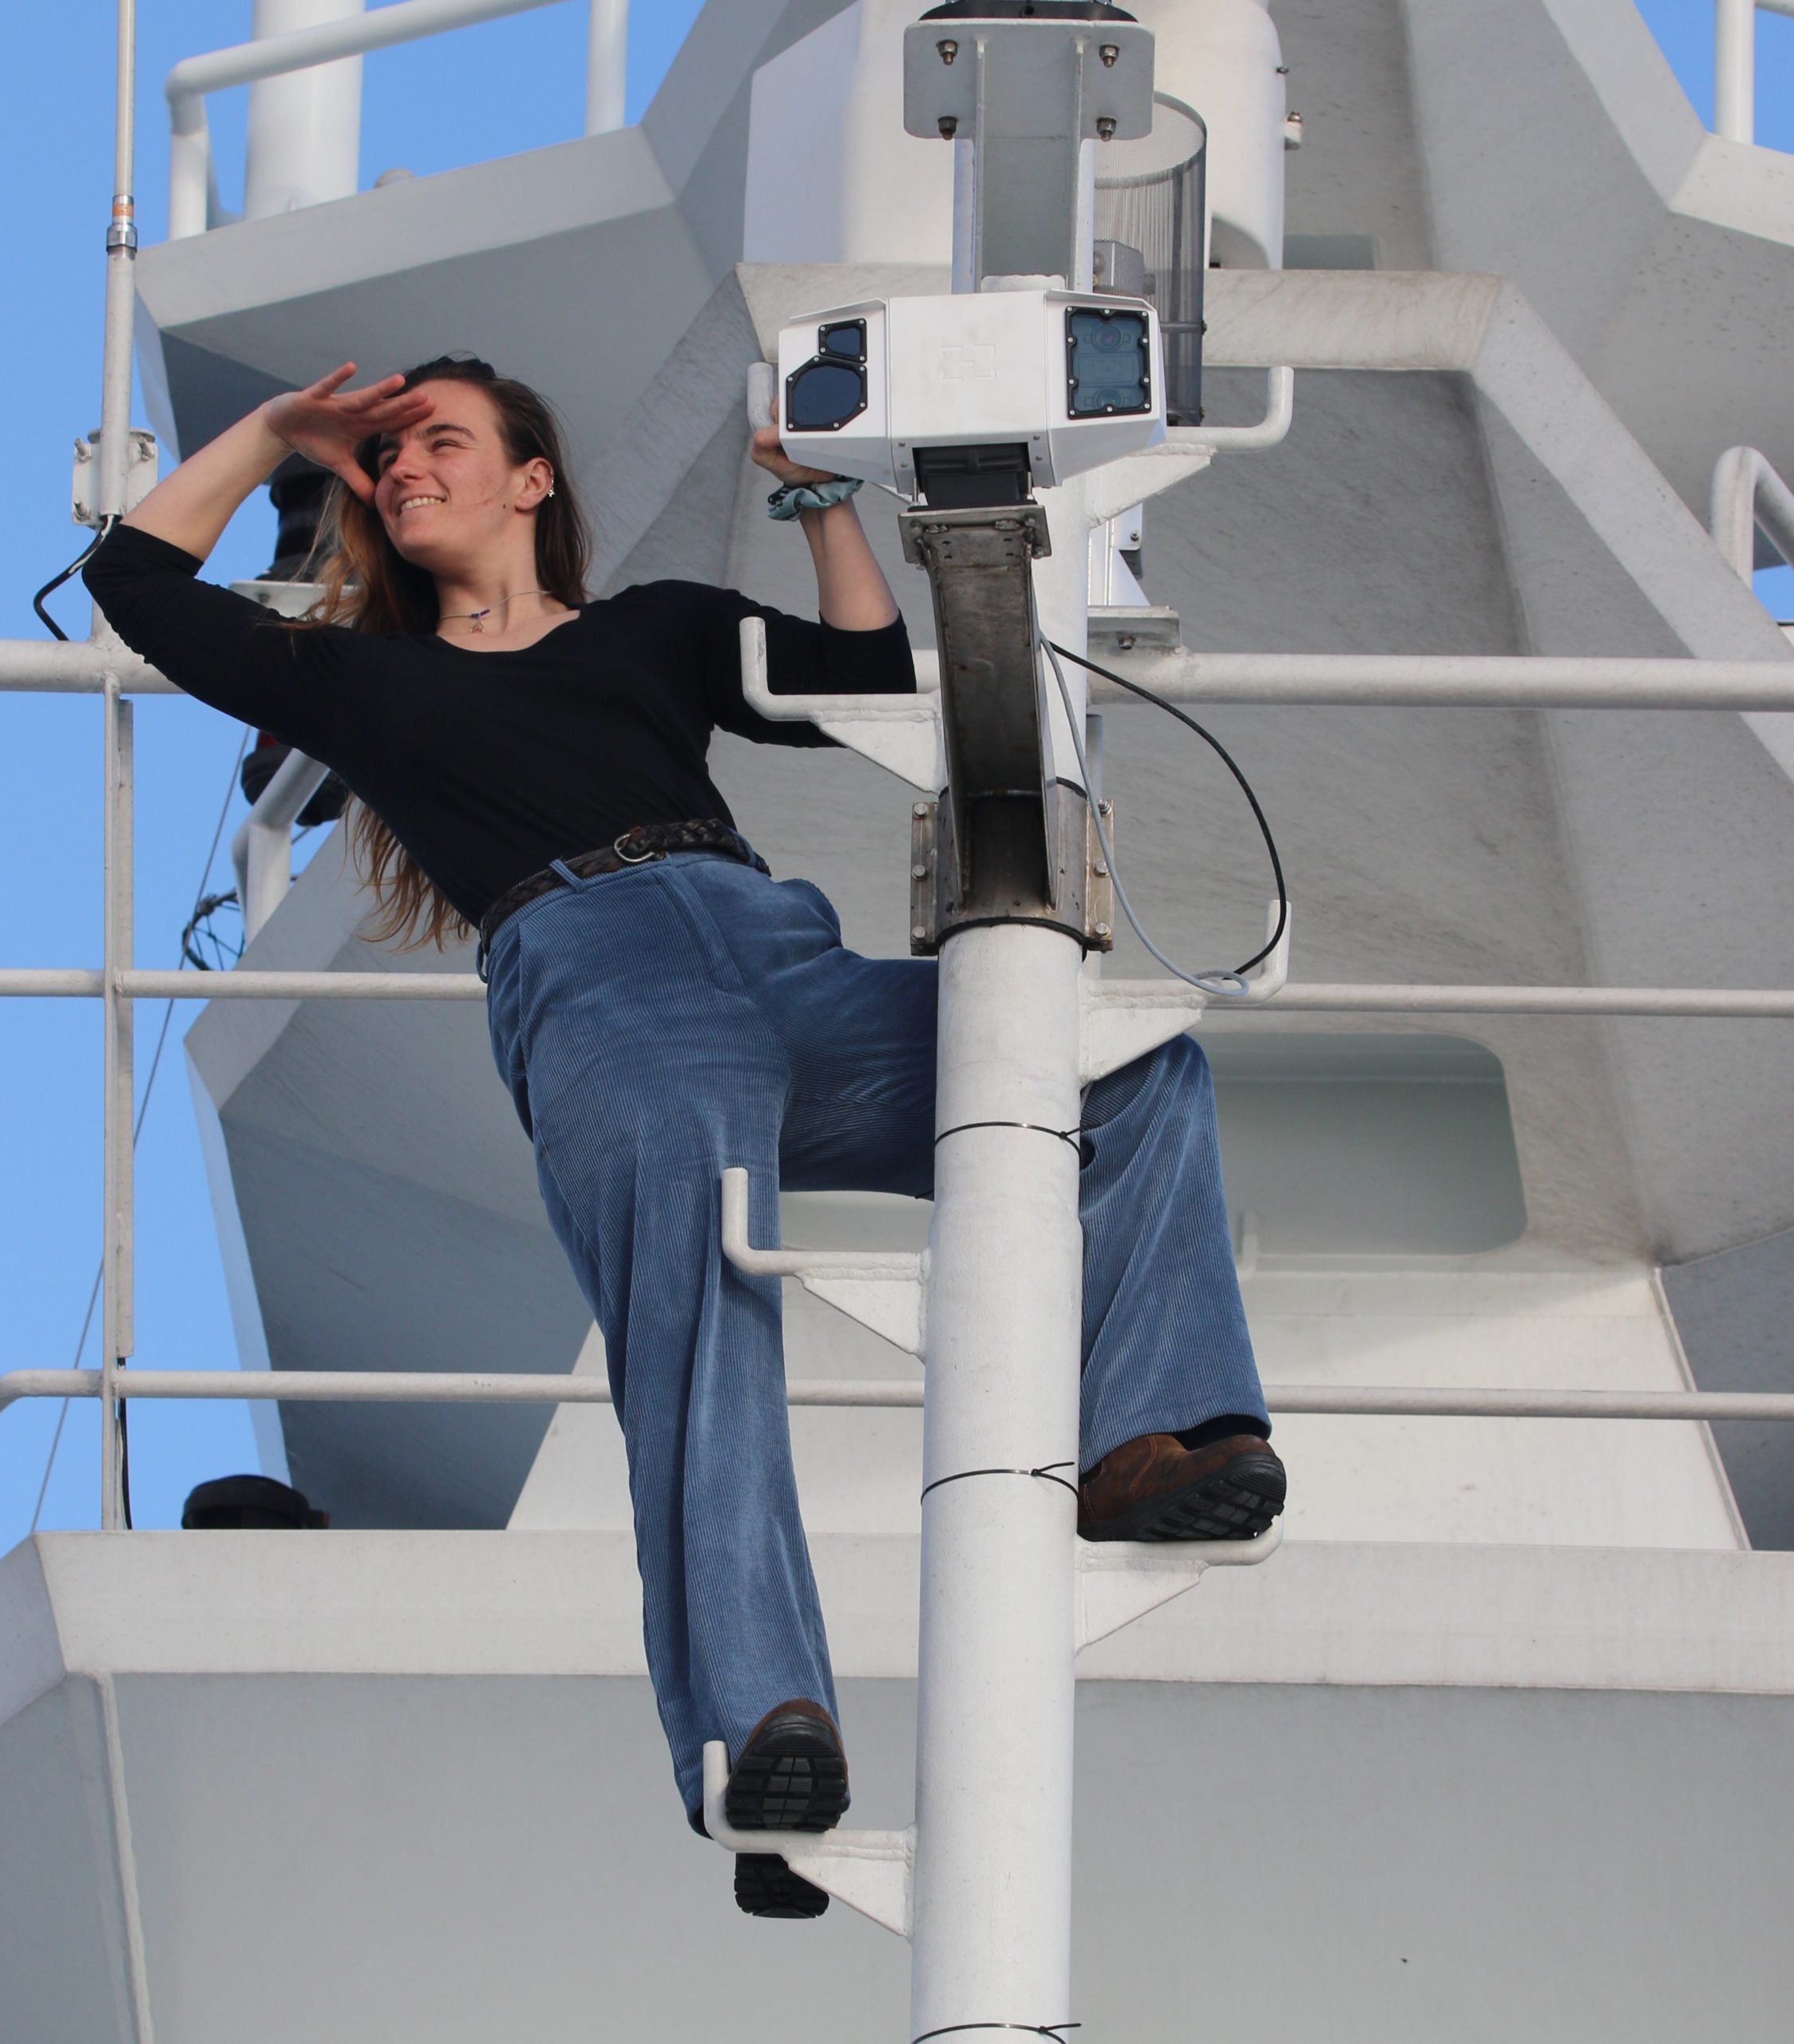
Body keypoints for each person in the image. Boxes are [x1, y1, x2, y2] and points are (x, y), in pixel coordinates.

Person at [84, 354, 1285, 1919]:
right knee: (697, 1327)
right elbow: (134, 582)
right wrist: (275, 431)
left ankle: (1143, 1445)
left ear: (533, 478)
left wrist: (820, 502)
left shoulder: (649, 625)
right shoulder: (353, 678)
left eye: (439, 440)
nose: (402, 469)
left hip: (774, 945)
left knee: (1125, 1071)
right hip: (597, 979)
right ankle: (759, 1729)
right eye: (386, 457)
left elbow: (853, 677)